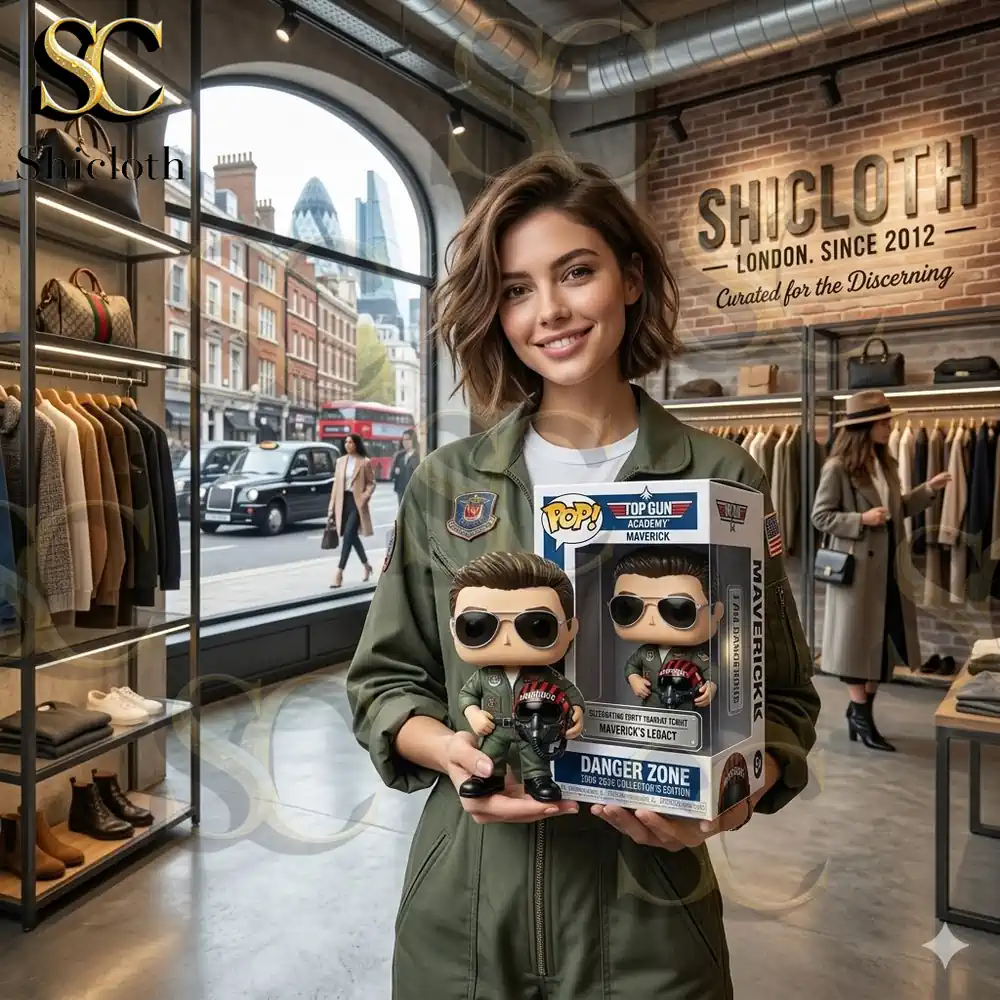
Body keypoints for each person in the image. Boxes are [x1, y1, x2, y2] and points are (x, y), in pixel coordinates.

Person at [346, 152, 820, 999]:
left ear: (629, 279)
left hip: (649, 918)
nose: (551, 311)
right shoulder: (449, 485)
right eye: (517, 288)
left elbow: (779, 702)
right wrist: (454, 757)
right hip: (465, 914)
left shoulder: (724, 482)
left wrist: (736, 795)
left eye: (576, 272)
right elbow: (387, 682)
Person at [811, 389, 951, 751]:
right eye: (885, 422)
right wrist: (861, 518)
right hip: (857, 573)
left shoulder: (885, 463)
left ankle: (860, 714)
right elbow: (820, 516)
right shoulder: (838, 468)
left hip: (887, 569)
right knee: (859, 648)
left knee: (881, 645)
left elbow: (896, 508)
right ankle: (862, 717)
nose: (890, 427)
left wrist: (927, 491)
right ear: (866, 427)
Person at [328, 433, 375, 588]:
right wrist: (331, 508)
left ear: (356, 444)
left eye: (350, 442)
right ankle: (367, 566)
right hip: (343, 502)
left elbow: (371, 483)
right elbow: (336, 486)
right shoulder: (340, 461)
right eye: (346, 442)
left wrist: (363, 497)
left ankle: (339, 572)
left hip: (357, 503)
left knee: (348, 535)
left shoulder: (364, 462)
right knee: (352, 537)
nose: (347, 445)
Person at [391, 429, 420, 500]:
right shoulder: (399, 456)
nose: (405, 442)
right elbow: (392, 474)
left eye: (408, 439)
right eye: (404, 440)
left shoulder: (419, 455)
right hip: (401, 492)